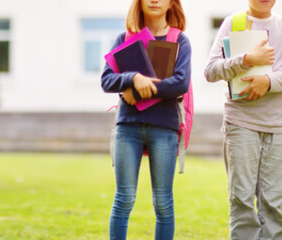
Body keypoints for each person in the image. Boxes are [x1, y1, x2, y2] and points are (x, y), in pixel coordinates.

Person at [204, 0, 282, 238]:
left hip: (278, 126)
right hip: (240, 124)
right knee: (241, 200)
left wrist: (268, 82)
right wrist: (247, 60)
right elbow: (211, 71)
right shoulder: (233, 23)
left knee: (273, 204)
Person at [99, 0, 190, 239]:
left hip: (164, 129)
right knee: (123, 200)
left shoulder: (179, 41)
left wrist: (138, 88)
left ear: (171, 4)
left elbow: (180, 83)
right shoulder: (124, 39)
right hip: (127, 129)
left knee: (163, 203)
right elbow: (107, 80)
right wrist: (132, 78)